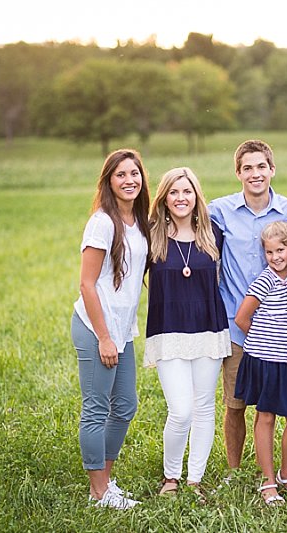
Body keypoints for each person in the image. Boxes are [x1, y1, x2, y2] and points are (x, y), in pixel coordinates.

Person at [208, 140, 287, 476]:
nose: (255, 174)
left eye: (261, 167)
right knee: (235, 404)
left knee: (270, 406)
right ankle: (234, 470)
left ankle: (268, 470)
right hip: (235, 323)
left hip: (277, 326)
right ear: (238, 173)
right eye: (248, 168)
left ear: (272, 169)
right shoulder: (220, 210)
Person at [70, 149, 150, 510]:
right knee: (97, 408)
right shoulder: (102, 222)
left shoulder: (139, 220)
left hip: (123, 328)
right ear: (109, 181)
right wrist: (103, 336)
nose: (129, 180)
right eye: (121, 174)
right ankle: (98, 492)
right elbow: (87, 284)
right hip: (96, 326)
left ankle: (106, 481)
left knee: (126, 406)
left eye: (134, 173)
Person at [144, 167, 231, 498]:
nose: (181, 198)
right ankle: (171, 477)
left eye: (187, 192)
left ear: (197, 197)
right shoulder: (152, 236)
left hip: (209, 331)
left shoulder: (213, 235)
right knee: (180, 410)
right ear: (164, 198)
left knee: (204, 407)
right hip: (168, 334)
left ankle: (194, 479)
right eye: (174, 192)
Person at [233, 221, 287, 506]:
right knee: (265, 417)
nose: (276, 257)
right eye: (269, 252)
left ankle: (286, 474)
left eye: (281, 250)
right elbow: (242, 318)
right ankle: (268, 482)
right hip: (263, 360)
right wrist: (264, 339)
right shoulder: (264, 280)